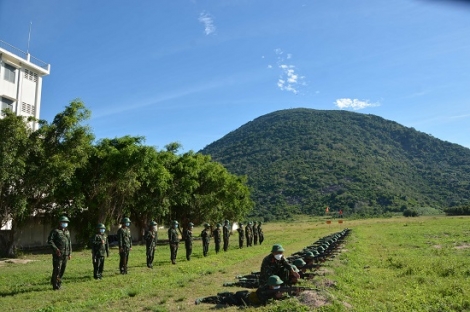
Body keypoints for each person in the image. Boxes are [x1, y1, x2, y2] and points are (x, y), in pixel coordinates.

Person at [196, 275, 291, 306]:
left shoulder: (273, 289)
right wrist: (277, 297)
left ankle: (225, 293)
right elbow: (264, 302)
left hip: (247, 294)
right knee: (224, 300)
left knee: (230, 295)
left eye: (279, 285)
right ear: (270, 285)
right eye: (276, 285)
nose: (278, 287)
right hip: (244, 299)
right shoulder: (263, 290)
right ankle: (203, 299)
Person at [47, 216, 72, 290]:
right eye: (63, 222)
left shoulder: (67, 232)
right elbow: (50, 241)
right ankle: (56, 286)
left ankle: (58, 282)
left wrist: (70, 253)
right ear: (60, 223)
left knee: (62, 270)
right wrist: (56, 249)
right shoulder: (55, 231)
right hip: (58, 254)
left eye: (66, 222)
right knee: (57, 269)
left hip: (65, 254)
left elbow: (69, 242)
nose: (65, 224)